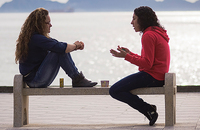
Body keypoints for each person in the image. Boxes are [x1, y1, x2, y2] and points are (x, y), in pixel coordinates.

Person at [109, 6, 170, 126]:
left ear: (142, 19)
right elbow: (149, 60)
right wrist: (130, 54)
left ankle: (148, 110)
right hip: (158, 75)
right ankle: (148, 109)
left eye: (134, 18)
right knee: (117, 89)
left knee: (114, 90)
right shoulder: (156, 32)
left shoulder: (148, 35)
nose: (131, 22)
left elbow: (147, 64)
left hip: (153, 76)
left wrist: (126, 57)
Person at [15, 8, 97, 88]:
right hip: (35, 81)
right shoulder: (36, 38)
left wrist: (75, 47)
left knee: (60, 49)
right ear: (39, 24)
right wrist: (75, 45)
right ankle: (77, 79)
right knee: (59, 51)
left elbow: (58, 45)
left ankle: (77, 79)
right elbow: (60, 48)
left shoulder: (36, 38)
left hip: (35, 79)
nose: (51, 25)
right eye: (48, 23)